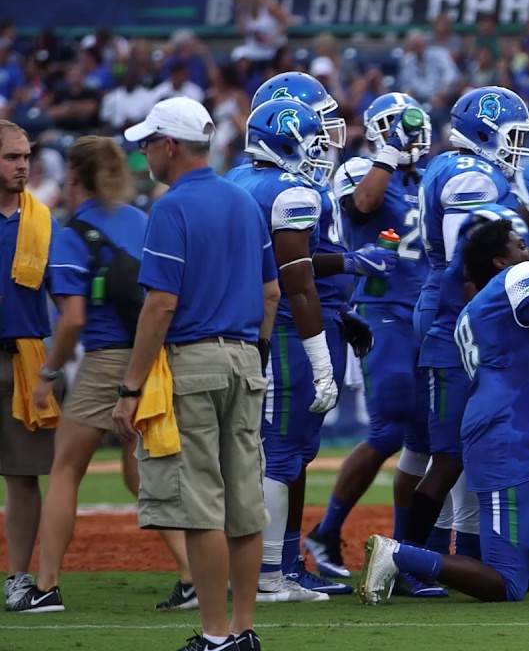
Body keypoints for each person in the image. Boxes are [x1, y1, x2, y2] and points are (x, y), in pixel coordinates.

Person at [358, 213, 529, 603]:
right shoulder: (515, 279)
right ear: (500, 262)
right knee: (507, 584)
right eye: (519, 246)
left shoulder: (489, 301)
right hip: (507, 435)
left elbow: (526, 377)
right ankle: (401, 555)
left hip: (518, 426)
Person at [114, 97, 280, 651]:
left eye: (148, 143)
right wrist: (252, 352)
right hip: (245, 360)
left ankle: (213, 636)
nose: (143, 153)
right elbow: (271, 292)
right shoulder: (243, 199)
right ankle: (244, 630)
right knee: (243, 503)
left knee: (201, 506)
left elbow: (161, 303)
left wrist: (130, 388)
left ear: (169, 146)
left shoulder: (170, 208)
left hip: (194, 362)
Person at [9, 137, 193, 614]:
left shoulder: (73, 235)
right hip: (153, 357)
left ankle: (45, 586)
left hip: (107, 359)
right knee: (143, 474)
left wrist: (49, 372)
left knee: (66, 470)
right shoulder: (140, 219)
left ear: (73, 176)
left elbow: (70, 320)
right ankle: (192, 576)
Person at [228, 71, 379, 598]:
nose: (324, 145)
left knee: (287, 455)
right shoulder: (290, 188)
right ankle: (269, 572)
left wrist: (344, 294)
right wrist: (320, 358)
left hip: (274, 327)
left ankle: (284, 563)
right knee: (279, 454)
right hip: (287, 333)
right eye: (315, 133)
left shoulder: (239, 180)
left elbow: (290, 259)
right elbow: (295, 280)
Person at [397, 87, 529, 590]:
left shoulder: (452, 165)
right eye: (512, 134)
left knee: (467, 447)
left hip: (451, 310)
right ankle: (406, 560)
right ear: (484, 129)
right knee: (451, 452)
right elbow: (467, 258)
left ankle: (461, 557)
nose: (517, 145)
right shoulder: (472, 174)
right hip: (456, 317)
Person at [307, 92, 433, 593]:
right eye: (404, 127)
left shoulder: (428, 177)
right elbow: (363, 204)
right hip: (383, 312)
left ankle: (401, 558)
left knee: (426, 439)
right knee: (388, 431)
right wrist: (387, 152)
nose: (415, 137)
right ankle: (325, 531)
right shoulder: (361, 167)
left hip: (427, 315)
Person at [0, 120, 57, 611]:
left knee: (23, 475)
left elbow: (67, 296)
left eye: (26, 156)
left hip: (24, 359)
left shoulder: (41, 219)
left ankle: (18, 576)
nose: (23, 165)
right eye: (12, 157)